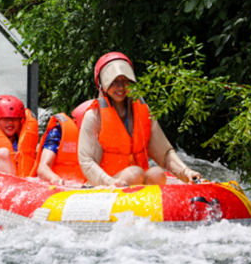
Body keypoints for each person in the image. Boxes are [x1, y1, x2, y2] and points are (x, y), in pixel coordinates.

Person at [78, 52, 201, 187]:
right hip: (103, 183)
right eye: (114, 81)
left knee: (157, 173)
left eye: (125, 81)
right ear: (102, 84)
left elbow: (164, 154)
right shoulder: (94, 116)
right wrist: (110, 182)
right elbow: (86, 161)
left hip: (135, 179)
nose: (121, 86)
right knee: (135, 173)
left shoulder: (143, 110)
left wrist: (186, 172)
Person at [30, 100, 93, 186]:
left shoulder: (100, 137)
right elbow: (43, 167)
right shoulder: (58, 132)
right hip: (57, 185)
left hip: (82, 186)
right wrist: (55, 178)